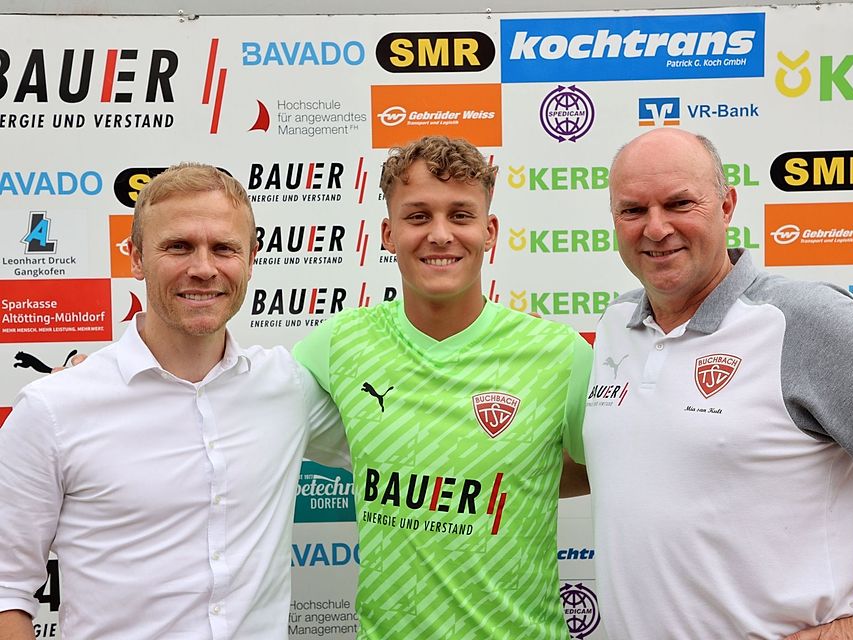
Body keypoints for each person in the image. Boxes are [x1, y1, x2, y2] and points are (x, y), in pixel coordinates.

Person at [577, 127, 853, 639]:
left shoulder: (801, 319)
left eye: (679, 203)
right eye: (632, 210)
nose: (656, 227)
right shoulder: (617, 323)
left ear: (727, 204)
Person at [0, 164, 350, 639]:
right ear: (136, 257)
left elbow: (401, 444)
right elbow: (7, 593)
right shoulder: (53, 409)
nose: (203, 268)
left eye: (224, 248)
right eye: (178, 246)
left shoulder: (288, 387)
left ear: (251, 258)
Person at [293, 135, 593, 639]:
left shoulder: (559, 355)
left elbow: (608, 470)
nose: (440, 234)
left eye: (460, 215)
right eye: (417, 216)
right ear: (387, 234)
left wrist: (516, 480)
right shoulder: (337, 345)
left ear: (490, 230)